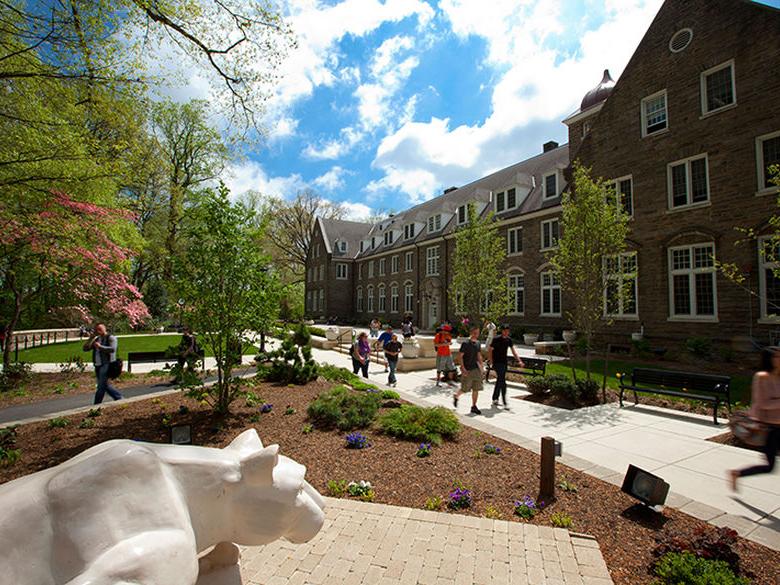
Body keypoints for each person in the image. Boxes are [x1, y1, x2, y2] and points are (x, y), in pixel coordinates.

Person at [729, 347, 780, 491]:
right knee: (769, 467)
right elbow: (762, 403)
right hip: (769, 428)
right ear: (769, 359)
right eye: (777, 357)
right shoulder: (761, 377)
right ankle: (737, 473)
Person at [82, 323, 122, 404]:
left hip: (106, 364)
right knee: (104, 385)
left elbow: (112, 349)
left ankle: (96, 404)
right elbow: (85, 349)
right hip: (98, 365)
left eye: (100, 329)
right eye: (97, 329)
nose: (98, 331)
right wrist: (90, 339)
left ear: (104, 329)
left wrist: (100, 347)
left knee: (101, 386)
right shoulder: (97, 339)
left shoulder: (111, 338)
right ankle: (119, 397)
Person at [489, 324, 523, 410]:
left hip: (504, 363)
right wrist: (491, 362)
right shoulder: (496, 339)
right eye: (505, 331)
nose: (506, 332)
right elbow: (490, 350)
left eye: (507, 331)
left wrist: (519, 360)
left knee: (500, 380)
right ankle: (505, 402)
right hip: (496, 363)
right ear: (502, 331)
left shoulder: (508, 340)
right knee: (503, 382)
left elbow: (513, 352)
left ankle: (495, 399)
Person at [454, 324, 484, 415]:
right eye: (474, 333)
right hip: (467, 370)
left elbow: (478, 355)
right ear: (471, 333)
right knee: (464, 389)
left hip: (476, 369)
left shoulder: (478, 343)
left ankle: (474, 406)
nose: (476, 335)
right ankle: (456, 396)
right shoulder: (465, 343)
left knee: (476, 388)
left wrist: (482, 368)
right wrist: (462, 368)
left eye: (477, 333)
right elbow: (460, 356)